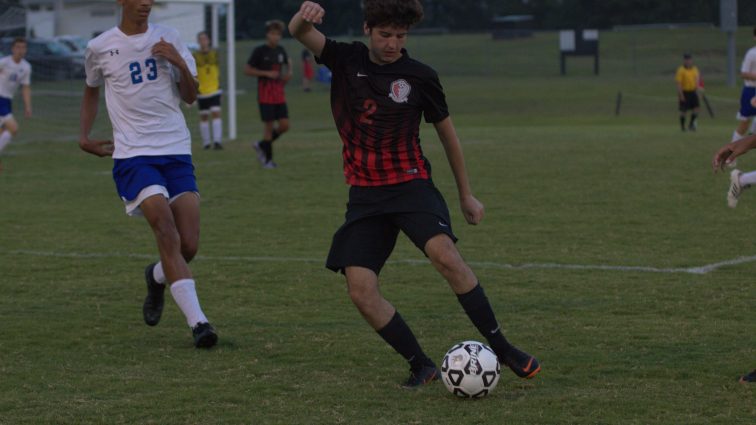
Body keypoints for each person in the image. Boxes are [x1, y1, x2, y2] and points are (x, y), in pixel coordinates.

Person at [289, 0, 540, 388]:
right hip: (365, 196)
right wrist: (303, 17)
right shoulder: (344, 59)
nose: (392, 44)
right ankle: (420, 364)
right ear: (368, 29)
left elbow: (448, 136)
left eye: (400, 36)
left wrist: (466, 195)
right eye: (385, 35)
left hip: (411, 186)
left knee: (446, 256)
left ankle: (503, 348)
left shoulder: (420, 76)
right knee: (360, 290)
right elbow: (301, 34)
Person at [79, 0, 217, 348]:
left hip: (175, 151)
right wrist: (84, 137)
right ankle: (199, 323)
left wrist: (178, 63)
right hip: (134, 155)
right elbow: (91, 90)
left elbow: (190, 96)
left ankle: (156, 277)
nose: (145, 4)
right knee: (165, 230)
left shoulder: (169, 37)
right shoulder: (99, 47)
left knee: (188, 245)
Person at [245, 19, 292, 169]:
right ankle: (268, 161)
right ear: (267, 35)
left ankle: (261, 145)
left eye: (278, 34)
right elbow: (247, 70)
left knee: (285, 125)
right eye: (273, 33)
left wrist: (288, 74)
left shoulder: (280, 50)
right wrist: (265, 73)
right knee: (269, 127)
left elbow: (286, 65)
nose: (275, 37)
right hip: (265, 95)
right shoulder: (259, 51)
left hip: (279, 94)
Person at [0, 37, 32, 172]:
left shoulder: (26, 67)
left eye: (23, 47)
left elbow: (25, 87)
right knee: (13, 128)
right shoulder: (4, 62)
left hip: (7, 101)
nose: (20, 50)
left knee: (2, 133)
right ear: (13, 49)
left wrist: (28, 106)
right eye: (18, 47)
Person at [193, 31, 223, 150]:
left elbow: (218, 70)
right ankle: (206, 143)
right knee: (204, 116)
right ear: (198, 42)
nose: (203, 41)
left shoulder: (215, 54)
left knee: (216, 113)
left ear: (209, 40)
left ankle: (217, 142)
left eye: (205, 39)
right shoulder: (195, 56)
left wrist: (220, 85)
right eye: (201, 39)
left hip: (214, 89)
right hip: (201, 91)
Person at [675, 53, 700, 132]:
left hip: (693, 91)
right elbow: (679, 83)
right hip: (684, 91)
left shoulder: (694, 69)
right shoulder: (681, 70)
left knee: (696, 108)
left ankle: (691, 124)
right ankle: (683, 127)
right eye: (686, 60)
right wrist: (681, 94)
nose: (688, 61)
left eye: (689, 60)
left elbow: (697, 79)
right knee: (683, 111)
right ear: (684, 61)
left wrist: (697, 89)